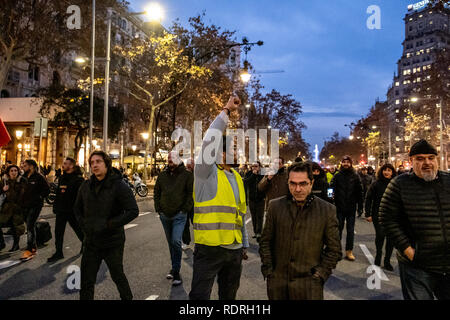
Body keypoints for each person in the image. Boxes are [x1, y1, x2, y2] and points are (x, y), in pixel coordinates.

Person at [189, 95, 249, 300]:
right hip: (210, 250)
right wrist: (226, 111)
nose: (236, 153)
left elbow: (239, 215)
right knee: (199, 297)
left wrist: (244, 245)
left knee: (229, 297)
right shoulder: (205, 173)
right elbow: (209, 140)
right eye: (232, 149)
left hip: (234, 251)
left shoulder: (238, 178)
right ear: (219, 153)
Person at [259, 162, 341, 300]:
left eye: (303, 184)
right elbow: (265, 241)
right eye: (293, 184)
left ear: (311, 183)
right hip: (278, 284)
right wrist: (269, 271)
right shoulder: (275, 206)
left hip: (309, 286)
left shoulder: (327, 210)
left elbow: (334, 250)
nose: (297, 189)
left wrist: (320, 275)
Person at [379, 140, 450, 300]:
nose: (427, 163)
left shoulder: (448, 181)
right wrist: (409, 251)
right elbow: (386, 219)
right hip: (417, 265)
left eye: (431, 158)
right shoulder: (399, 184)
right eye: (420, 158)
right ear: (411, 161)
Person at [74, 151, 139, 300]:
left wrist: (110, 224)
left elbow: (133, 211)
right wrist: (85, 226)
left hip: (112, 241)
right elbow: (77, 209)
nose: (95, 165)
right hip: (91, 241)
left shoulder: (118, 185)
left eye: (98, 162)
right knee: (86, 281)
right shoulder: (86, 185)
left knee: (117, 276)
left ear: (107, 164)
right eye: (92, 163)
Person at [153, 151, 193, 286]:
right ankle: (174, 268)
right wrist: (158, 209)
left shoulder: (187, 175)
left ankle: (176, 272)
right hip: (165, 215)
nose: (170, 159)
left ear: (179, 159)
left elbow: (190, 193)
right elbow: (156, 192)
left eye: (172, 157)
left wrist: (185, 210)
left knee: (176, 241)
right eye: (168, 157)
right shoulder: (162, 175)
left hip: (179, 216)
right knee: (171, 243)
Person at [47, 158, 85, 263]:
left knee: (78, 230)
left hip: (72, 211)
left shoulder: (78, 180)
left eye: (65, 164)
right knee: (58, 232)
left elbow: (81, 197)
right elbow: (59, 193)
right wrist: (55, 206)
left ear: (71, 166)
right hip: (61, 210)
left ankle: (85, 244)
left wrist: (79, 210)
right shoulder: (63, 177)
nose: (63, 165)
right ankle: (58, 252)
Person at [330, 156, 363, 261]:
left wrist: (360, 207)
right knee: (337, 230)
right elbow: (330, 188)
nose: (346, 164)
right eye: (344, 162)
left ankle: (349, 251)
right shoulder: (337, 176)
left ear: (351, 163)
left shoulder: (355, 176)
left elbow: (360, 192)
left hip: (351, 208)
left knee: (350, 231)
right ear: (341, 163)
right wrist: (330, 200)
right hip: (339, 207)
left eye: (348, 162)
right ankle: (337, 251)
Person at [365, 163, 397, 271]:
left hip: (393, 216)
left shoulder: (396, 184)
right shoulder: (376, 184)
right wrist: (367, 214)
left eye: (389, 170)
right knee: (380, 235)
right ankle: (378, 256)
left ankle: (387, 261)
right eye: (385, 170)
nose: (386, 172)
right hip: (377, 214)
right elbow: (369, 198)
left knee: (391, 239)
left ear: (392, 172)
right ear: (381, 171)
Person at [20, 159, 50, 260]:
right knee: (29, 225)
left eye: (25, 165)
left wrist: (39, 197)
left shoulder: (39, 177)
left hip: (35, 205)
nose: (23, 166)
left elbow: (47, 190)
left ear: (31, 166)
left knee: (30, 225)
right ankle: (32, 244)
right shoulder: (23, 177)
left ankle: (31, 248)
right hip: (24, 205)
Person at [0, 165, 26, 252]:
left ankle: (16, 244)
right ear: (8, 172)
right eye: (12, 171)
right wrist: (3, 190)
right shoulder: (4, 181)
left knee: (16, 227)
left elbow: (24, 194)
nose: (14, 172)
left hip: (17, 208)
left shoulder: (22, 181)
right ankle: (1, 244)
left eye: (15, 170)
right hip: (6, 208)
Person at [244, 162, 265, 240]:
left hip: (261, 199)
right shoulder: (249, 174)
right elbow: (246, 183)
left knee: (260, 216)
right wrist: (253, 175)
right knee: (254, 217)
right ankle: (255, 232)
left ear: (259, 167)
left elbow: (265, 185)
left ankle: (259, 232)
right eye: (252, 166)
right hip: (252, 199)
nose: (254, 168)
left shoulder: (262, 174)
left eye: (256, 166)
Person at [182, 158, 195, 249]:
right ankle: (186, 242)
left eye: (190, 165)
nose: (189, 167)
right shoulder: (183, 175)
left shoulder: (198, 175)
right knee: (185, 224)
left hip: (195, 203)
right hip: (185, 203)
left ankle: (200, 241)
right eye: (188, 165)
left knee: (196, 223)